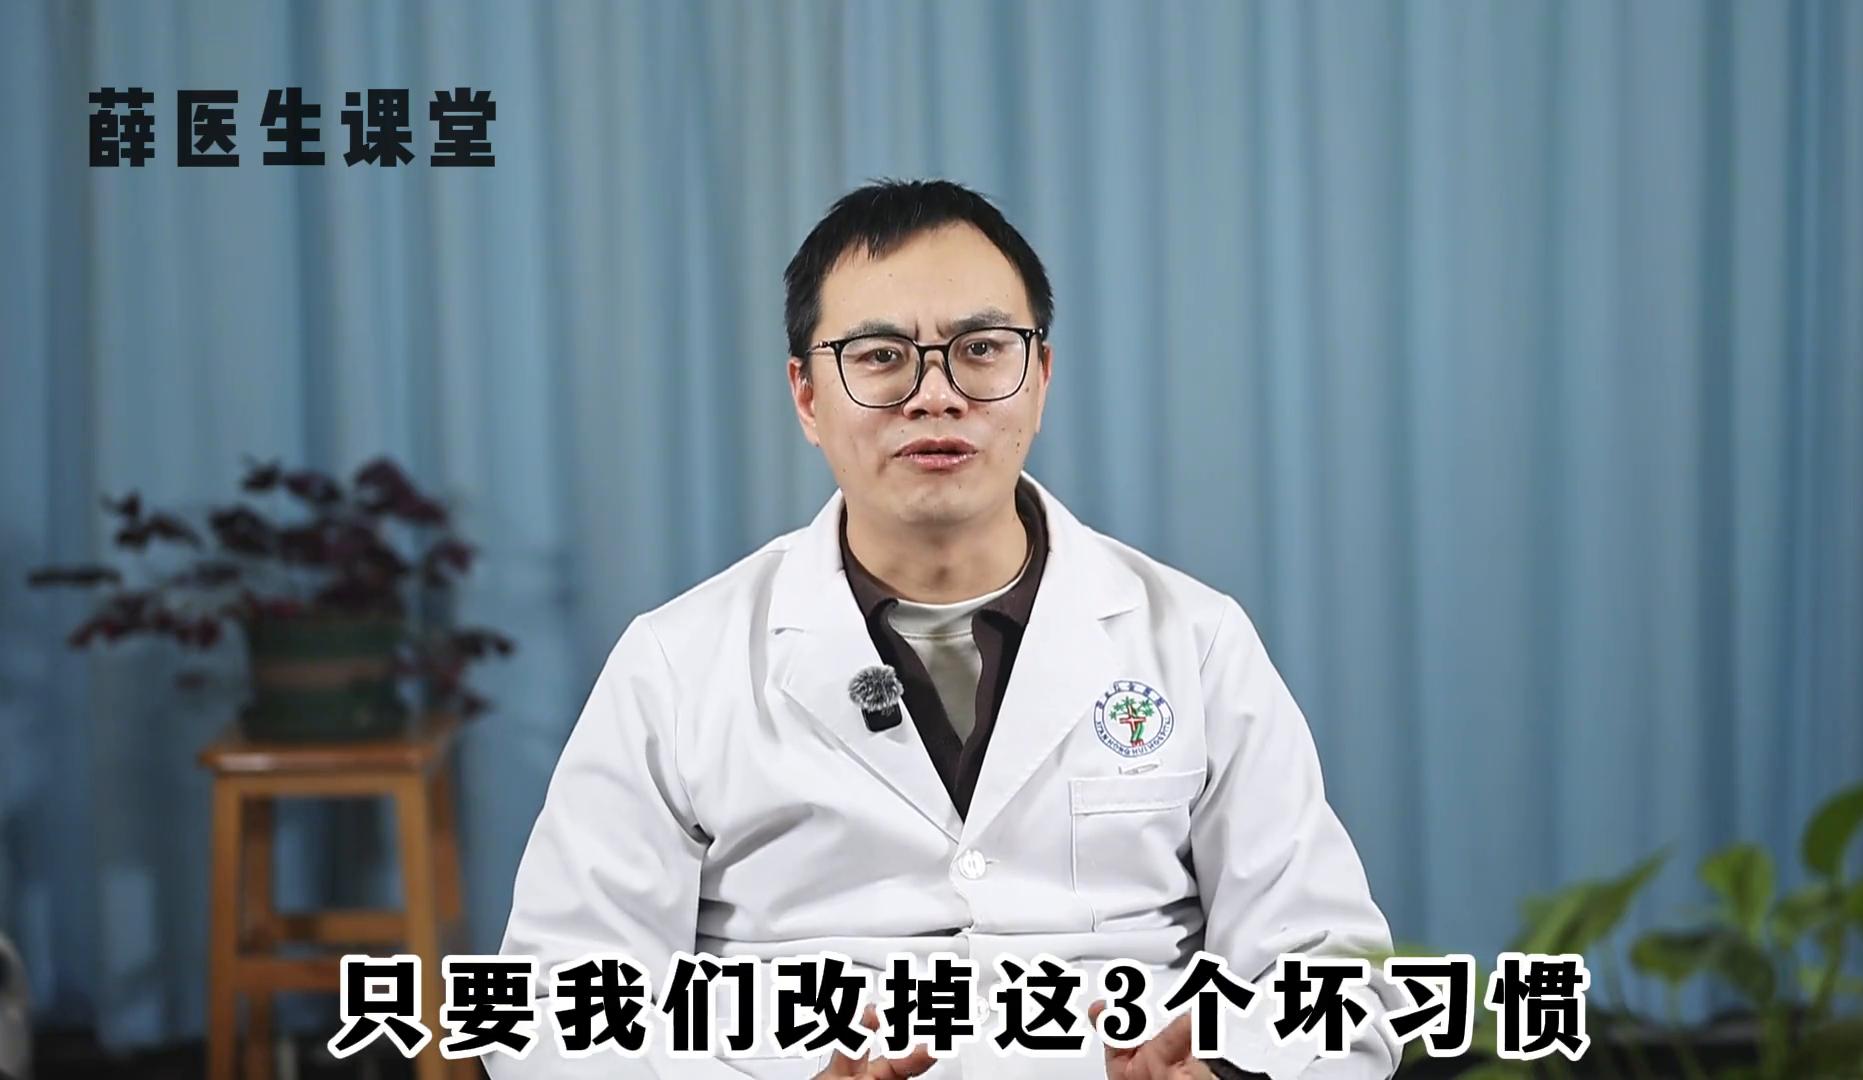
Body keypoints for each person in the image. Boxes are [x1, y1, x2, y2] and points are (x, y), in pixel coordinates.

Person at [491, 180, 1403, 1079]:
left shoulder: (1194, 642)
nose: (936, 395)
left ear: (1039, 379)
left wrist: (1230, 1075)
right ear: (807, 396)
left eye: (981, 349)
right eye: (880, 356)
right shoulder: (678, 663)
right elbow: (546, 1013)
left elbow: (1336, 975)